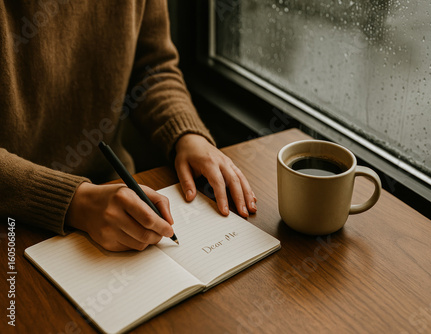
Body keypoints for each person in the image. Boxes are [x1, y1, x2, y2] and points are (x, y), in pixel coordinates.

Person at [0, 1, 257, 251]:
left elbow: (152, 69)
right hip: (13, 222)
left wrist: (188, 135)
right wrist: (75, 201)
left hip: (117, 192)